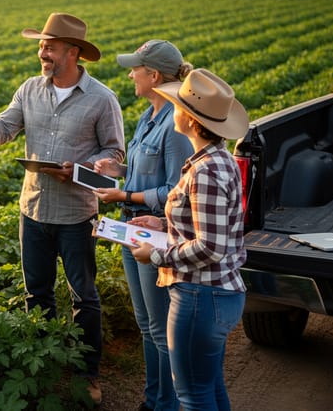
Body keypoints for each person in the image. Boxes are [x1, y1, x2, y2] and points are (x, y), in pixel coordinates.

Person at [0, 13, 125, 404]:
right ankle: (44, 365)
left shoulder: (102, 99)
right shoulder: (29, 90)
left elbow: (115, 154)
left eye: (50, 47)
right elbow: (3, 130)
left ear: (73, 53)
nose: (43, 53)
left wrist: (81, 169)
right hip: (34, 210)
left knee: (84, 296)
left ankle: (87, 373)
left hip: (77, 213)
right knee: (37, 293)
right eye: (42, 46)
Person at [130, 68, 249, 411]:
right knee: (209, 389)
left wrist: (156, 255)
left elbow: (211, 246)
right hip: (215, 294)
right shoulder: (216, 160)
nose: (173, 110)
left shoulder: (206, 170)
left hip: (200, 295)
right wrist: (164, 222)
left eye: (179, 106)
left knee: (192, 397)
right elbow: (207, 229)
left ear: (192, 121)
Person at [92, 40, 194, 411]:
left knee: (159, 326)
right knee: (145, 323)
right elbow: (142, 171)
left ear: (153, 75)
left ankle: (164, 403)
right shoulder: (147, 116)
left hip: (157, 234)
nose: (130, 74)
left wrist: (125, 198)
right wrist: (116, 172)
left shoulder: (176, 124)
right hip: (132, 230)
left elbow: (176, 191)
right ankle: (155, 399)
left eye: (136, 68)